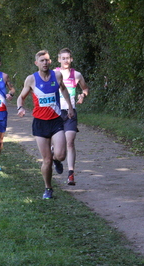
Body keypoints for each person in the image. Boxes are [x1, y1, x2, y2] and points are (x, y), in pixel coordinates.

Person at [17, 50, 74, 199]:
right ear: (37, 63)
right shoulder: (31, 79)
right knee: (46, 160)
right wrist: (20, 107)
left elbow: (64, 89)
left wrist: (69, 106)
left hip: (56, 121)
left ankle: (57, 160)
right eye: (41, 60)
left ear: (50, 62)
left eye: (47, 60)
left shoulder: (57, 75)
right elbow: (21, 97)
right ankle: (48, 188)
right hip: (40, 123)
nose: (45, 63)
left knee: (61, 155)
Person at [54, 48, 89, 186]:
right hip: (56, 113)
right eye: (63, 58)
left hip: (71, 112)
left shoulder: (77, 75)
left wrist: (82, 95)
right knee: (58, 146)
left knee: (70, 142)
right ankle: (56, 159)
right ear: (59, 60)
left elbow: (85, 88)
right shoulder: (54, 74)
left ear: (71, 59)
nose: (66, 60)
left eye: (68, 58)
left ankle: (71, 174)